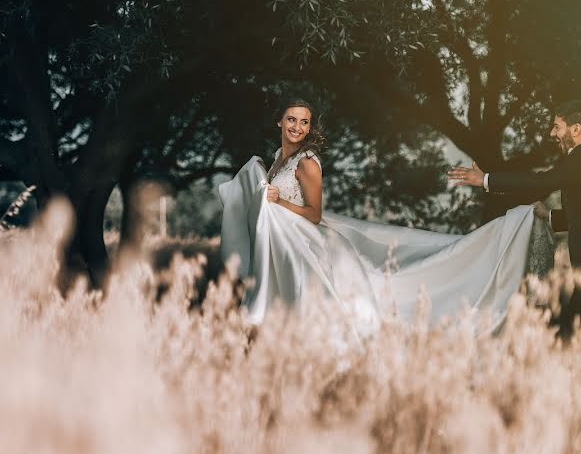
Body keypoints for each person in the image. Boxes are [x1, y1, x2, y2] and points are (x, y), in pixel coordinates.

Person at [218, 99, 551, 336]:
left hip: (307, 244)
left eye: (304, 122)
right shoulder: (276, 158)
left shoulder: (307, 162)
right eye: (292, 119)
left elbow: (314, 214)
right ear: (279, 121)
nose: (298, 127)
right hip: (286, 244)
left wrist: (278, 203)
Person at [447, 101, 581, 333]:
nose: (552, 133)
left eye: (557, 127)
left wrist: (486, 179)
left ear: (575, 129)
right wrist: (548, 215)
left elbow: (542, 182)